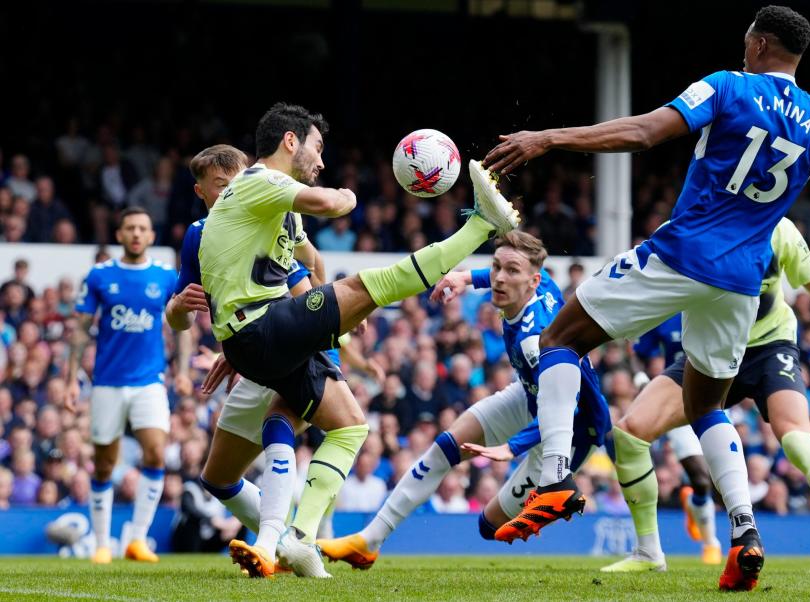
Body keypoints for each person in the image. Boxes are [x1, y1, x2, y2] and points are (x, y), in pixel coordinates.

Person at [482, 5, 810, 591]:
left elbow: (646, 132)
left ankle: (551, 479)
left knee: (559, 339)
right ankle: (744, 532)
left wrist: (549, 137)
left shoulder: (727, 86)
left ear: (757, 43)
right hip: (740, 285)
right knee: (704, 405)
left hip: (682, 254)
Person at [197, 102, 519, 578]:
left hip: (260, 335)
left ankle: (298, 538)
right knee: (369, 285)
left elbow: (288, 270)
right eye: (317, 147)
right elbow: (331, 203)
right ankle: (481, 226)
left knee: (350, 424)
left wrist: (332, 318)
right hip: (259, 329)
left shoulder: (271, 208)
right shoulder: (260, 182)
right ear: (291, 141)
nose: (321, 161)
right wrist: (351, 194)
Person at [600, 218, 810, 577]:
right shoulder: (687, 225)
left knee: (797, 439)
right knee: (629, 432)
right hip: (711, 350)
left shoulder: (778, 228)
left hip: (769, 348)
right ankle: (648, 552)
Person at [318, 231, 609, 569]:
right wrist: (465, 277)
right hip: (529, 394)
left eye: (510, 271)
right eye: (496, 267)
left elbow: (566, 409)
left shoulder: (535, 339)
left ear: (532, 281)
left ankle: (558, 498)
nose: (499, 277)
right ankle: (369, 541)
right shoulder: (539, 284)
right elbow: (504, 273)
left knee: (489, 526)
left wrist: (513, 447)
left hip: (571, 429)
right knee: (444, 447)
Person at [166, 144, 373, 578]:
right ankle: (288, 543)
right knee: (217, 478)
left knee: (286, 420)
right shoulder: (199, 235)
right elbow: (181, 319)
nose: (232, 192)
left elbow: (304, 279)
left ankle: (282, 541)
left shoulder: (269, 216)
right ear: (200, 191)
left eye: (237, 183)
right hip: (253, 351)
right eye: (220, 186)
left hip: (286, 343)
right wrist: (181, 310)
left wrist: (337, 320)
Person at [65, 207, 179, 565]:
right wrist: (71, 379)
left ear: (150, 236)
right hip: (107, 382)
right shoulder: (100, 276)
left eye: (142, 228)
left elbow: (183, 320)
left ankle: (138, 539)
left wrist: (186, 370)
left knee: (156, 453)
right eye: (129, 228)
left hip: (150, 380)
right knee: (103, 465)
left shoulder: (164, 277)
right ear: (119, 235)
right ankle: (102, 543)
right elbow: (81, 329)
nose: (135, 233)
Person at [631, 314, 721, 565]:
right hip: (678, 403)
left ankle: (695, 504)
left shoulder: (714, 309)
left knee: (718, 478)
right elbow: (639, 352)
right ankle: (711, 544)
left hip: (716, 401)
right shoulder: (666, 315)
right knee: (701, 479)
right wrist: (640, 376)